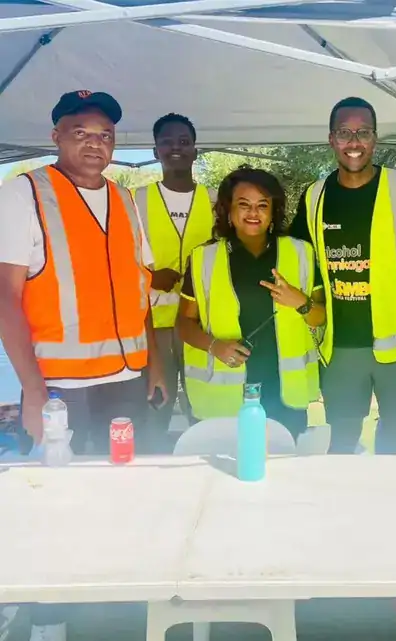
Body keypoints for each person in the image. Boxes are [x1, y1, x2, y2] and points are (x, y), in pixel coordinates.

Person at [0, 90, 167, 641]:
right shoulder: (23, 193)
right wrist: (31, 390)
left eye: (105, 135)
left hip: (125, 382)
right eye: (81, 133)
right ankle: (49, 620)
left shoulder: (124, 199)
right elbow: (5, 297)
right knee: (57, 505)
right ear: (55, 137)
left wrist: (155, 366)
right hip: (61, 389)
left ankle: (112, 602)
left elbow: (141, 291)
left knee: (120, 493)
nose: (95, 144)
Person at [289, 96, 396, 455]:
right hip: (342, 349)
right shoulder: (314, 197)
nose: (354, 142)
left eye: (363, 132)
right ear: (331, 139)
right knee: (341, 448)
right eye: (344, 133)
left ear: (375, 139)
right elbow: (300, 262)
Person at [178, 166, 324, 440]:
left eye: (262, 205)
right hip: (223, 397)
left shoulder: (301, 252)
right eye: (243, 204)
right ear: (228, 211)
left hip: (284, 394)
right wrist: (215, 346)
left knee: (282, 462)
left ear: (273, 211)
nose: (253, 213)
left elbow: (321, 317)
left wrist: (301, 302)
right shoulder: (203, 258)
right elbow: (184, 323)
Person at [133, 113, 215, 452]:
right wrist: (150, 277)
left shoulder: (216, 201)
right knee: (155, 407)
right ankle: (151, 469)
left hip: (200, 323)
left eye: (184, 141)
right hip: (152, 326)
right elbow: (116, 260)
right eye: (166, 142)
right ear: (155, 151)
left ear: (196, 150)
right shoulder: (136, 200)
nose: (175, 148)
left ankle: (209, 464)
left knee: (204, 407)